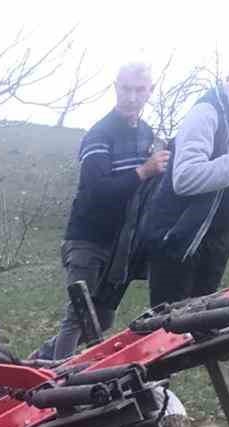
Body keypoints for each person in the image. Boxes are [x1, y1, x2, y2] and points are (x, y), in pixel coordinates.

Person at [45, 63, 170, 360]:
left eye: (140, 90)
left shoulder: (147, 133)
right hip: (88, 238)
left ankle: (39, 363)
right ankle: (53, 387)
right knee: (79, 317)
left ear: (149, 91)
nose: (132, 96)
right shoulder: (100, 133)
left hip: (121, 246)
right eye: (126, 89)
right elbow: (96, 190)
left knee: (103, 319)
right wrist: (144, 171)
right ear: (116, 87)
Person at [143, 45, 229, 307]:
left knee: (205, 326)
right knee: (169, 331)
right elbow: (184, 178)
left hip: (217, 240)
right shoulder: (207, 111)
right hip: (177, 238)